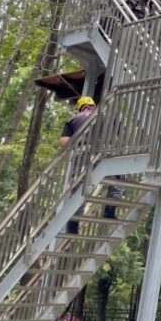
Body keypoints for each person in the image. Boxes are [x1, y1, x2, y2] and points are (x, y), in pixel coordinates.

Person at [61, 96, 122, 228]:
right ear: (94, 105)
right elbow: (117, 135)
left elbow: (65, 142)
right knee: (117, 180)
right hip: (106, 152)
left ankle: (73, 223)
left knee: (79, 185)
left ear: (80, 107)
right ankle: (110, 210)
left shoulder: (73, 119)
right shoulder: (108, 116)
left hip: (83, 153)